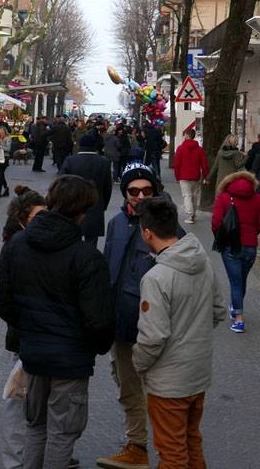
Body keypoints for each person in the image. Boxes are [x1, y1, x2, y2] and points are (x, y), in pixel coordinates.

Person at [0, 175, 115, 469]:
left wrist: (29, 330)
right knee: (61, 433)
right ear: (81, 211)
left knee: (36, 426)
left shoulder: (17, 244)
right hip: (69, 360)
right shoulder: (86, 257)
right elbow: (98, 320)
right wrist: (92, 346)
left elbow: (4, 302)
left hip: (34, 354)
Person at [133, 198, 225, 469]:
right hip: (198, 374)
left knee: (171, 453)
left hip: (168, 382)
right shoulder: (201, 260)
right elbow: (218, 310)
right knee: (191, 440)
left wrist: (138, 364)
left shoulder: (156, 277)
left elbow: (153, 337)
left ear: (147, 233)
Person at [97, 161, 172, 469]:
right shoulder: (116, 223)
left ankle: (165, 450)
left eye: (146, 190)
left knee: (161, 391)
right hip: (121, 323)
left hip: (153, 325)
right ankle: (137, 445)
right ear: (125, 192)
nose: (140, 196)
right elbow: (108, 267)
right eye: (133, 190)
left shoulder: (167, 227)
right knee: (127, 386)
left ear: (155, 191)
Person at [0, 185, 55, 469]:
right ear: (22, 219)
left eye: (46, 215)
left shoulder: (52, 243)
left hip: (50, 338)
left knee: (45, 405)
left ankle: (45, 456)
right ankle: (15, 463)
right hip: (25, 339)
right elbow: (4, 300)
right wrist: (24, 324)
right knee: (18, 402)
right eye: (37, 216)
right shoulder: (14, 247)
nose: (43, 221)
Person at [211, 170, 260, 333]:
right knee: (241, 280)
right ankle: (235, 306)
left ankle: (238, 319)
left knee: (236, 282)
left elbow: (216, 222)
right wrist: (252, 234)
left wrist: (221, 238)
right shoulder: (257, 198)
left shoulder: (224, 197)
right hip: (250, 246)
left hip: (230, 246)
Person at [59, 134, 112, 248]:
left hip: (73, 205)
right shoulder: (103, 162)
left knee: (72, 238)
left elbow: (61, 184)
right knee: (91, 241)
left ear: (80, 145)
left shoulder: (70, 160)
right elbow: (108, 187)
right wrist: (103, 205)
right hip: (95, 204)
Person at [173, 128, 209, 224]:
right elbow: (204, 165)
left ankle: (190, 215)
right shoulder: (200, 150)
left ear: (187, 136)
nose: (184, 136)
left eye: (184, 135)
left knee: (187, 196)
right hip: (196, 176)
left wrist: (177, 177)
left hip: (183, 176)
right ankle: (193, 214)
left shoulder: (180, 148)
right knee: (195, 196)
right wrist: (206, 176)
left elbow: (177, 164)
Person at [0, 126, 11, 197]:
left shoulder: (8, 138)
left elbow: (8, 149)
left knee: (1, 174)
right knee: (1, 174)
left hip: (5, 158)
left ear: (2, 131)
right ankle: (6, 189)